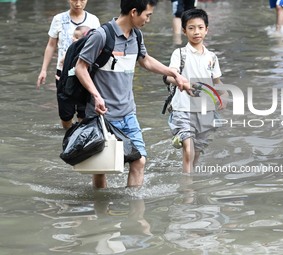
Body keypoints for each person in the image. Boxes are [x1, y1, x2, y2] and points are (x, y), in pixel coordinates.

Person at [75, 0, 190, 189]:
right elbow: (81, 68)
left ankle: (133, 212)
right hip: (102, 115)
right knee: (101, 167)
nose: (149, 19)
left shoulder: (136, 35)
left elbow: (145, 60)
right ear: (134, 12)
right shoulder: (102, 35)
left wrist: (174, 73)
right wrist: (96, 95)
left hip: (128, 113)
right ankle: (102, 212)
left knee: (139, 161)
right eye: (148, 15)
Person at [164, 8, 226, 173]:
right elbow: (170, 75)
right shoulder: (180, 54)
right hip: (182, 109)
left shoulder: (212, 57)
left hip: (205, 111)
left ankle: (189, 178)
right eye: (191, 28)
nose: (196, 32)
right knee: (189, 150)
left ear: (206, 30)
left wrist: (224, 96)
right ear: (184, 30)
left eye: (200, 27)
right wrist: (179, 80)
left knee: (196, 152)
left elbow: (217, 83)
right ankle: (188, 193)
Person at [36, 0, 100, 130]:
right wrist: (44, 70)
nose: (78, 3)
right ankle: (67, 135)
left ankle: (81, 138)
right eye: (74, 0)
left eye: (82, 0)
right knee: (65, 114)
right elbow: (51, 45)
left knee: (84, 111)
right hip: (63, 72)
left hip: (85, 71)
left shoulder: (93, 20)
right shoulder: (59, 19)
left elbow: (98, 46)